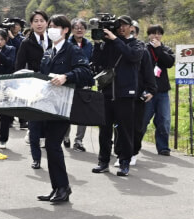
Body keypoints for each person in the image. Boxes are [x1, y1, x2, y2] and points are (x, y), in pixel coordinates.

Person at [36, 15, 93, 203]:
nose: (51, 29)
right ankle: (57, 188)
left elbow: (86, 72)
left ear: (65, 30)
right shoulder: (49, 51)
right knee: (51, 147)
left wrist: (66, 76)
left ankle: (63, 188)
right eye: (50, 26)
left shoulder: (72, 50)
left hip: (64, 105)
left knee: (53, 145)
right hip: (48, 104)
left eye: (55, 27)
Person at [91, 15, 144, 176]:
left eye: (125, 25)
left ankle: (124, 162)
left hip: (125, 94)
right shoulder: (109, 45)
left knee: (125, 131)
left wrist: (115, 39)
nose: (121, 28)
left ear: (131, 28)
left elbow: (132, 56)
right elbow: (97, 62)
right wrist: (98, 43)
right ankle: (103, 161)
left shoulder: (137, 44)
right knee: (104, 130)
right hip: (107, 92)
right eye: (118, 25)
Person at [114, 21, 157, 166]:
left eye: (135, 31)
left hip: (138, 93)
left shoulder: (141, 49)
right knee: (121, 126)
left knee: (136, 126)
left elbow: (148, 71)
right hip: (121, 92)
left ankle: (133, 152)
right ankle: (121, 153)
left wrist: (151, 89)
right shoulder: (117, 46)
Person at [15, 10, 50, 169]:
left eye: (42, 20)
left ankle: (53, 157)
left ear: (47, 23)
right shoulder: (26, 43)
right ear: (31, 24)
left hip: (53, 87)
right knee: (34, 125)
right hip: (34, 88)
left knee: (50, 125)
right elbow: (19, 66)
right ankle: (36, 158)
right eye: (35, 21)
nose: (39, 23)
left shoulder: (55, 40)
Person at [142, 24, 175, 156]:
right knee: (143, 119)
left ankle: (163, 147)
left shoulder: (166, 49)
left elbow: (169, 63)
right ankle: (135, 142)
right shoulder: (144, 48)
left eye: (159, 33)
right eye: (153, 33)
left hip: (162, 91)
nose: (156, 36)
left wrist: (159, 49)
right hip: (147, 91)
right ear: (148, 35)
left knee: (164, 120)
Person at [64, 18, 94, 151]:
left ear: (85, 30)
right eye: (76, 27)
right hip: (69, 81)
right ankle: (65, 136)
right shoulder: (66, 43)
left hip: (84, 81)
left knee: (83, 113)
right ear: (71, 30)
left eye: (82, 27)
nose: (79, 29)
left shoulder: (89, 44)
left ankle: (79, 140)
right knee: (67, 111)